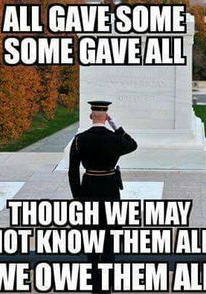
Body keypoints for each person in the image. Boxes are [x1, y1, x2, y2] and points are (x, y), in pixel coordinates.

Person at [68, 100, 137, 292]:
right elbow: (133, 144)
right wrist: (117, 127)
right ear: (106, 118)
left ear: (91, 116)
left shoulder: (79, 139)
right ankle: (108, 282)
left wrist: (78, 198)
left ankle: (94, 282)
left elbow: (73, 172)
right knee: (109, 238)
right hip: (110, 191)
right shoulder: (115, 139)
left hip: (88, 190)